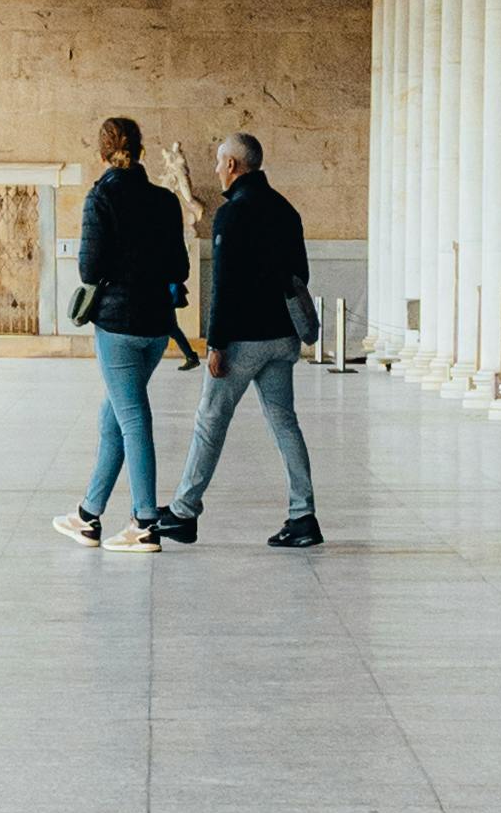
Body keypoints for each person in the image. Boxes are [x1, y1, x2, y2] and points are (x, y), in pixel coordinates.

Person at [158, 131, 325, 546]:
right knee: (285, 422)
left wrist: (216, 344)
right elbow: (299, 275)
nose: (216, 170)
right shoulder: (286, 210)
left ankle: (183, 511)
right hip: (283, 339)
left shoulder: (233, 214)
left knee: (209, 421)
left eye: (219, 162)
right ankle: (303, 515)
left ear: (233, 165)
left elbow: (225, 286)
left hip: (243, 342)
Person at [57, 113, 188, 547]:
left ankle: (145, 523)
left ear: (102, 153)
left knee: (132, 418)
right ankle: (88, 515)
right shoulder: (166, 200)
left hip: (118, 325)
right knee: (112, 414)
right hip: (156, 327)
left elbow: (89, 269)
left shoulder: (101, 198)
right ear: (142, 150)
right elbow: (180, 267)